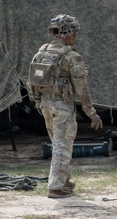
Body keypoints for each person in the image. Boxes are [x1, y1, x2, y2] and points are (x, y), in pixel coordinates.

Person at [28, 14, 103, 198]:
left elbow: (32, 79)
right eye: (74, 32)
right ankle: (56, 186)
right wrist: (91, 112)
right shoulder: (71, 57)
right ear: (68, 33)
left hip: (46, 103)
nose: (75, 36)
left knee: (58, 143)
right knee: (63, 145)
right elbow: (82, 88)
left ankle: (65, 180)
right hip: (62, 106)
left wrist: (37, 101)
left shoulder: (42, 52)